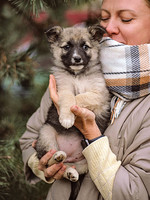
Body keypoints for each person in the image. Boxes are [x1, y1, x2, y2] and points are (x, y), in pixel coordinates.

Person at [20, 0, 150, 199]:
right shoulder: (68, 75)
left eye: (126, 18)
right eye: (104, 17)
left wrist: (91, 134)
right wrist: (41, 165)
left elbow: (135, 193)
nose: (108, 28)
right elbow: (30, 139)